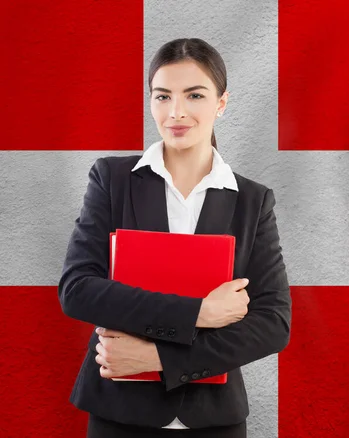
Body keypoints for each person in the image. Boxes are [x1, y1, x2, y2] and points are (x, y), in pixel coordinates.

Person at [58, 38, 291, 438]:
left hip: (214, 419)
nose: (176, 112)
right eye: (162, 96)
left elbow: (273, 323)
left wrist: (158, 357)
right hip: (120, 414)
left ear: (221, 102)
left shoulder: (252, 200)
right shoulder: (112, 180)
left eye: (195, 95)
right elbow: (78, 289)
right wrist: (198, 313)